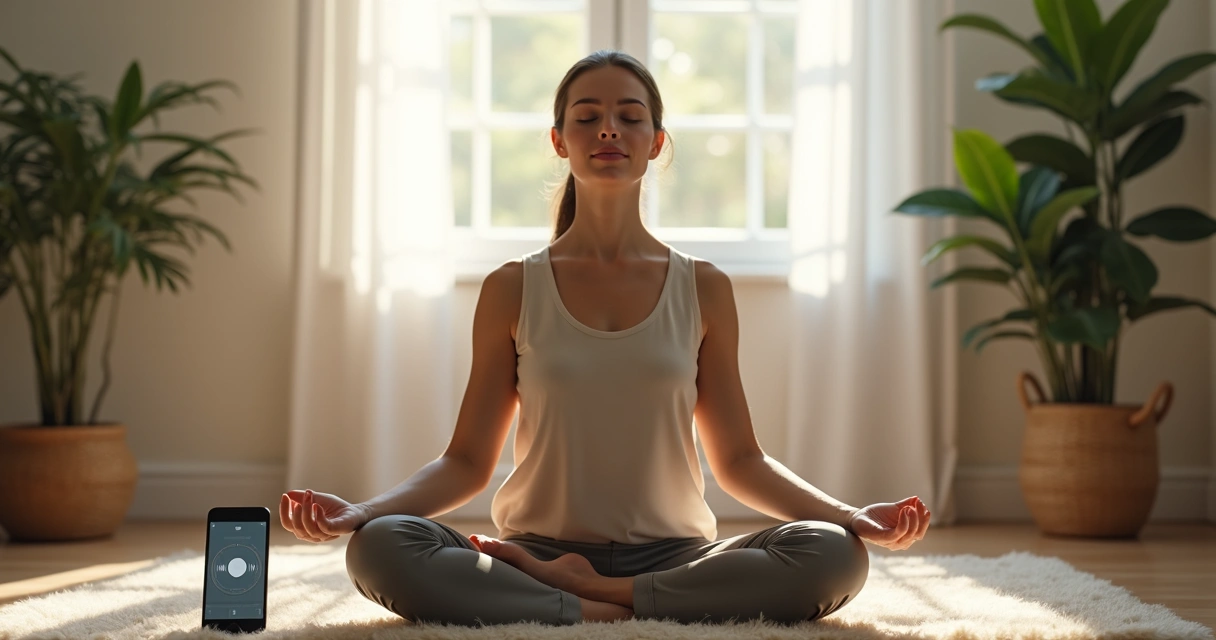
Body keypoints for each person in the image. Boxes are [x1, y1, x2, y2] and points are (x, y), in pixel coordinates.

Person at [280, 49, 930, 627]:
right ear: (560, 141)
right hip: (529, 553)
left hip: (676, 555)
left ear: (657, 141)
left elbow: (740, 463)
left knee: (833, 553)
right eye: (587, 117)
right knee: (381, 545)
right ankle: (608, 602)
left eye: (630, 115)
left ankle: (590, 597)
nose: (609, 129)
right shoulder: (513, 286)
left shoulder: (703, 287)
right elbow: (466, 463)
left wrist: (852, 516)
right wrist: (358, 511)